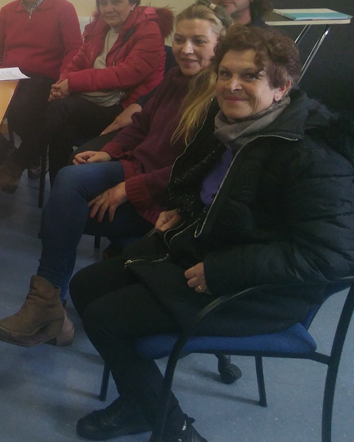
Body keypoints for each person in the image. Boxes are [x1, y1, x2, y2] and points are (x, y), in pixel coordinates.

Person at [69, 26, 354, 442]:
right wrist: (182, 210)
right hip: (204, 251)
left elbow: (333, 254)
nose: (231, 85)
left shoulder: (310, 153)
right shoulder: (231, 127)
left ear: (282, 87)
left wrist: (223, 269)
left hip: (258, 289)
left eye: (250, 76)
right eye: (224, 73)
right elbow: (215, 195)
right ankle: (141, 400)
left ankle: (174, 429)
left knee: (104, 319)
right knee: (86, 285)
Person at [0, 1, 231, 348]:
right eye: (179, 40)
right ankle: (49, 304)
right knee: (71, 177)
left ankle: (49, 309)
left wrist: (127, 189)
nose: (186, 49)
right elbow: (142, 124)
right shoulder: (177, 78)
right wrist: (108, 151)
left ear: (220, 45)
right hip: (137, 170)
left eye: (199, 41)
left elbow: (195, 171)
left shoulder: (220, 97)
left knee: (65, 204)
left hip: (166, 201)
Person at [16, 0, 171, 183]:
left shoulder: (149, 31)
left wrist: (72, 84)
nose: (108, 8)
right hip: (96, 100)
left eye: (116, 2)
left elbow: (126, 74)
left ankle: (16, 164)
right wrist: (62, 83)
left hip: (124, 107)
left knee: (61, 109)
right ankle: (58, 190)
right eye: (103, 3)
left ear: (133, 4)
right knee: (60, 128)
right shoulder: (100, 26)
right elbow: (78, 60)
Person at [0, 0, 83, 194]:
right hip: (9, 77)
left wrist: (64, 79)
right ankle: (10, 155)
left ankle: (17, 164)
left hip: (44, 79)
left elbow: (74, 50)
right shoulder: (7, 11)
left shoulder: (64, 9)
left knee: (20, 105)